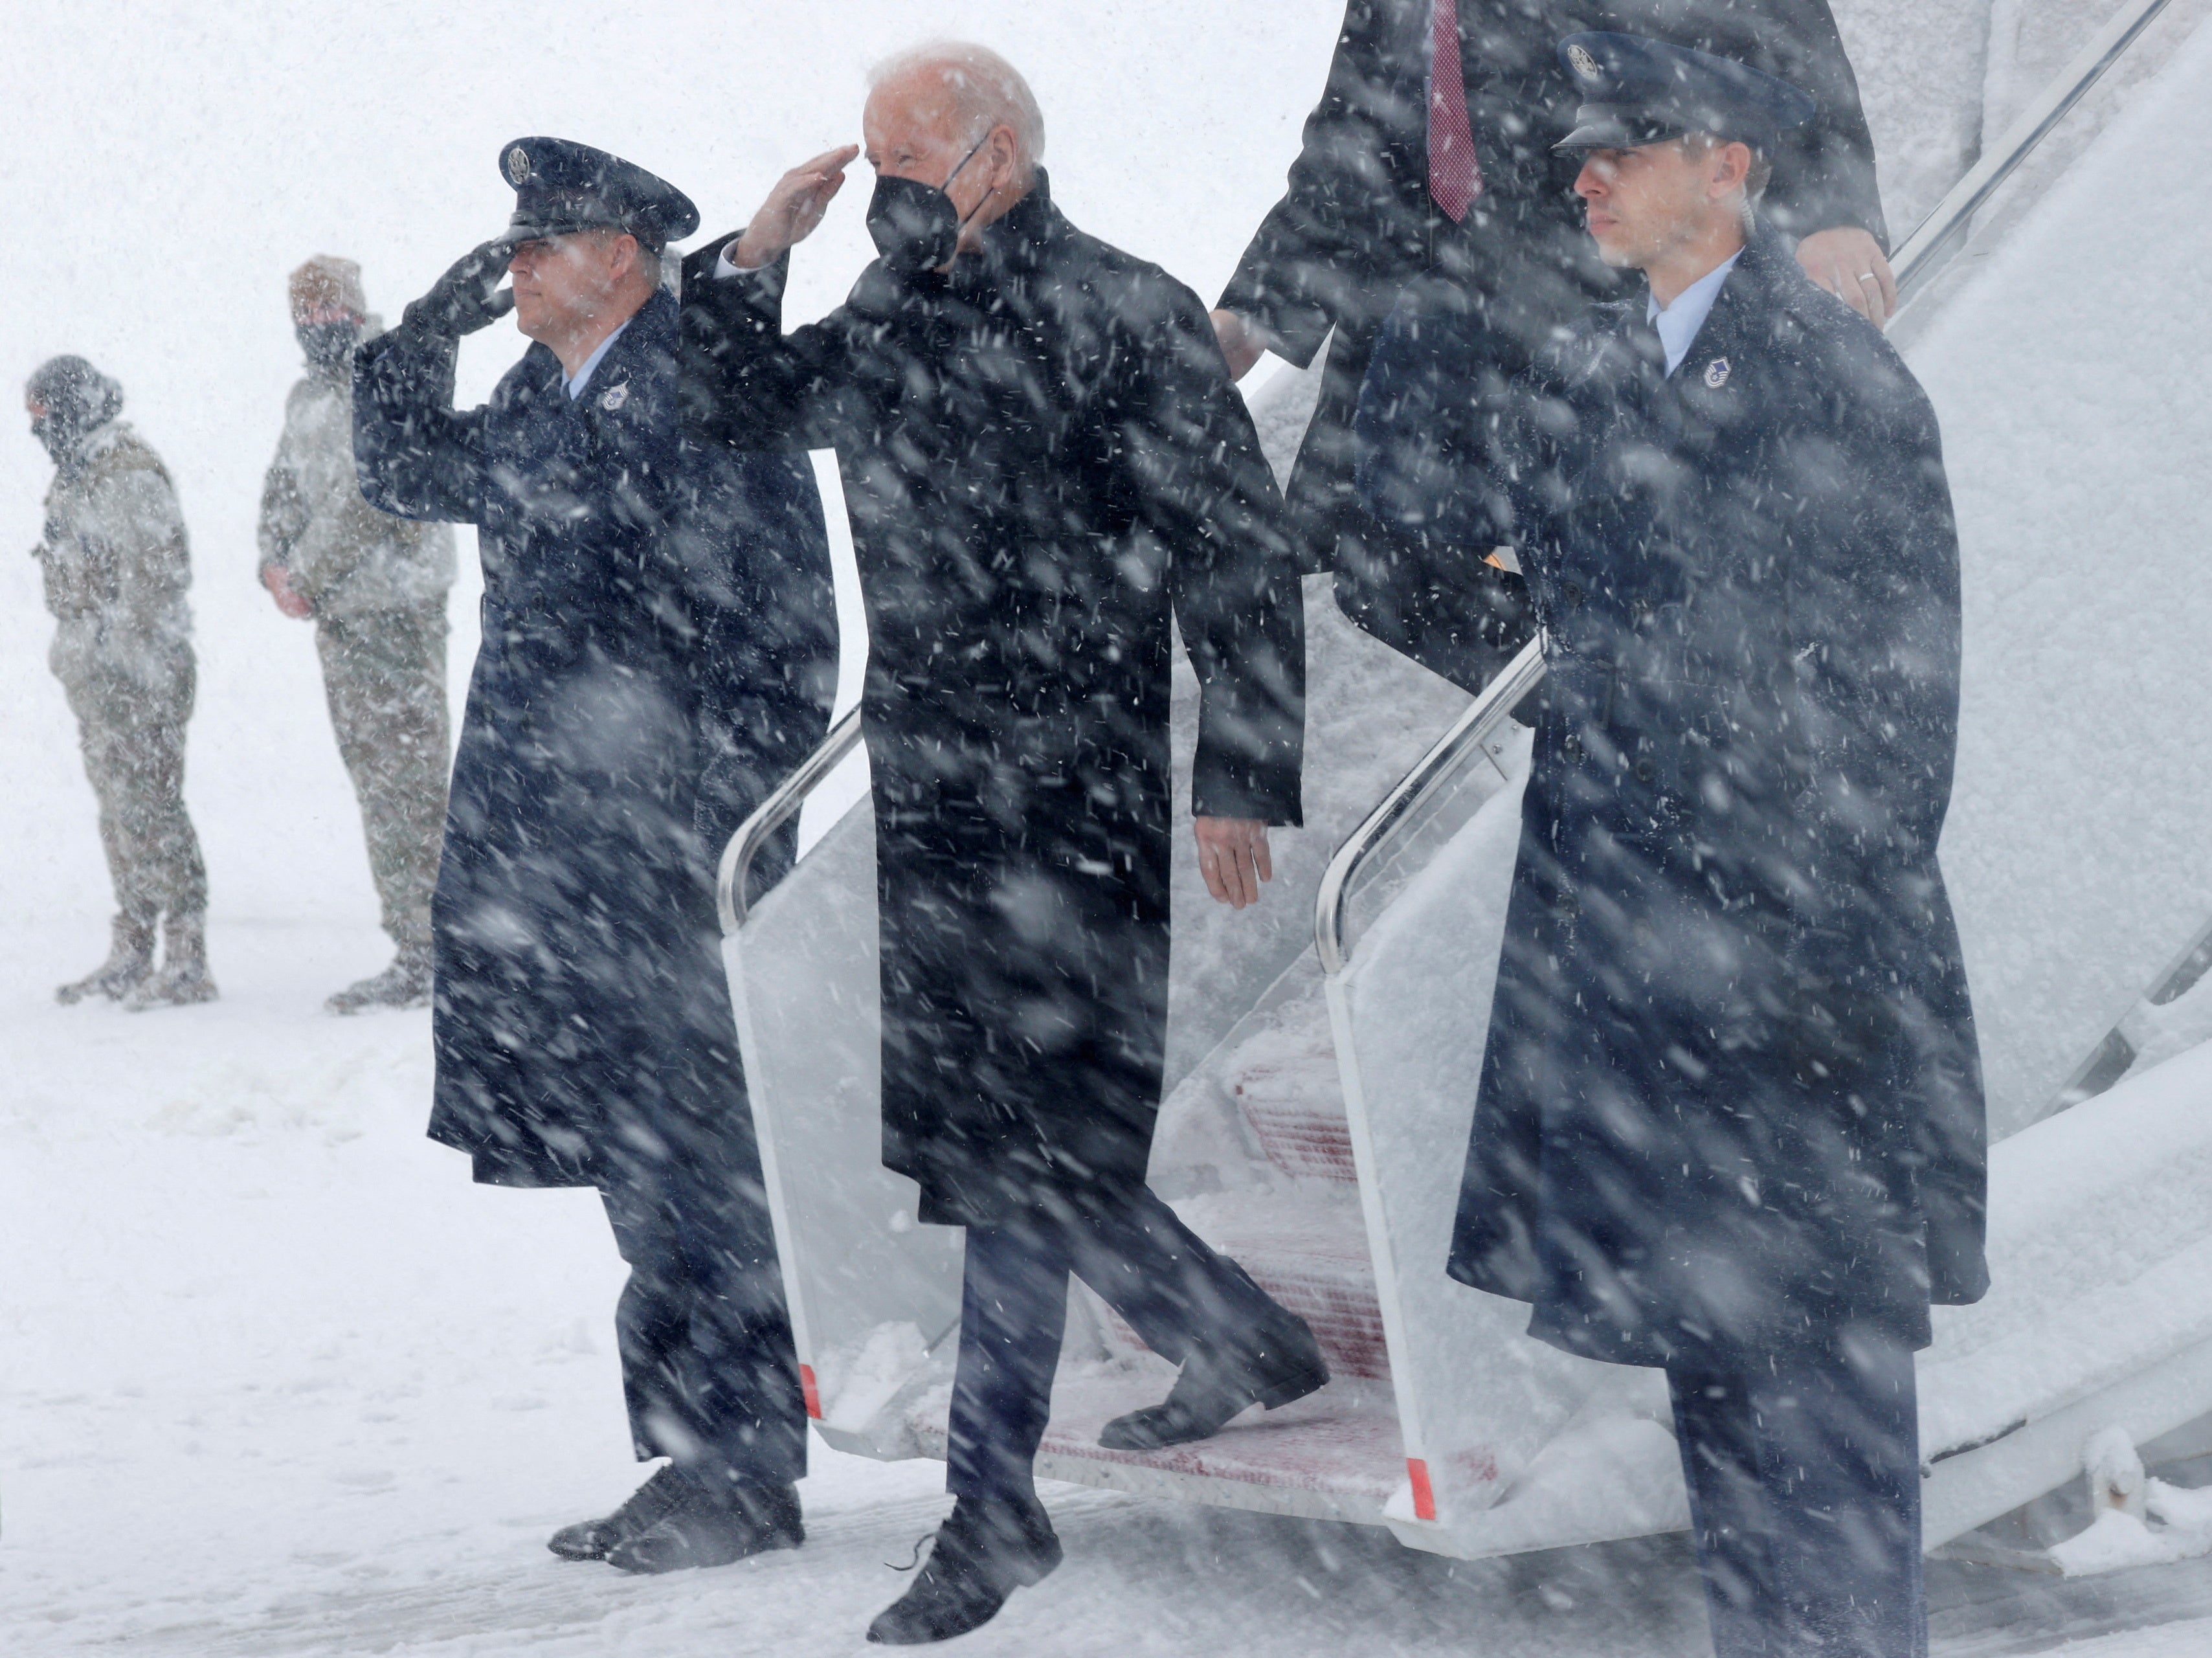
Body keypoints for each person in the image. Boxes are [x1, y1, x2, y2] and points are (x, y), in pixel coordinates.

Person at [680, 43, 1325, 1644]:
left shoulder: (1127, 306)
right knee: (1005, 1140)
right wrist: (755, 255)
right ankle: (1237, 1334)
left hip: (1075, 800)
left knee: (1021, 1161)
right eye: (874, 157)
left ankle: (994, 1502)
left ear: (999, 154)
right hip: (934, 798)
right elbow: (738, 410)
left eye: (911, 155)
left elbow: (1236, 548)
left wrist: (1240, 767)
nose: (887, 182)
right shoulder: (894, 311)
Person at [1444, 35, 1987, 1657]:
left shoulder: (1834, 374)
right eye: (1574, 160)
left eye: (1625, 148)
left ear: (1732, 165)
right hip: (1638, 940)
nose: (1584, 179)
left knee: (1818, 1362)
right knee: (1715, 1362)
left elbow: (1902, 699)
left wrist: (1805, 927)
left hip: (1795, 964)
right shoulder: (1600, 374)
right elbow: (1559, 620)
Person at [352, 137, 837, 1576]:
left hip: (668, 862)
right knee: (644, 1177)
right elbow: (400, 475)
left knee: (703, 1170)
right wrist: (407, 345)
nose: (509, 270)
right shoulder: (533, 391)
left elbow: (782, 638)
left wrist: (717, 839)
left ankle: (746, 1473)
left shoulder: (700, 383)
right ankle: (687, 1457)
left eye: (532, 246)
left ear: (620, 255)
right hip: (561, 856)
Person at [1214, 0, 1893, 691]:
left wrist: (1827, 211)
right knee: (1376, 556)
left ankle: (1693, 705)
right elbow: (1357, 131)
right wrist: (1253, 310)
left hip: (1607, 275)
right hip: (1455, 309)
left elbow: (1778, 24)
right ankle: (1633, 715)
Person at [258, 255, 457, 1014]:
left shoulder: (386, 374)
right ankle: (412, 941)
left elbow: (369, 491)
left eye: (328, 311)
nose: (317, 327)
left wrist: (304, 571)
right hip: (343, 617)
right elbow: (283, 486)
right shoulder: (307, 396)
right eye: (304, 316)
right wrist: (272, 562)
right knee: (377, 781)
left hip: (394, 610)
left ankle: (434, 945)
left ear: (355, 309)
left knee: (410, 780)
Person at [29, 356, 216, 1011]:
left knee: (154, 809)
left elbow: (149, 585)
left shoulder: (125, 475)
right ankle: (133, 945)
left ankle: (187, 956)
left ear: (76, 407)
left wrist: (120, 664)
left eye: (46, 414)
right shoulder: (77, 475)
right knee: (120, 813)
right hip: (99, 678)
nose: (39, 430)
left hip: (140, 677)